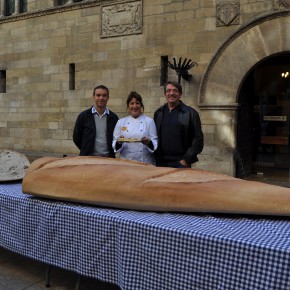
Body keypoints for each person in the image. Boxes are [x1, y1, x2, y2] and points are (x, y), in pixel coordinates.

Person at [154, 81, 204, 168]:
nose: (171, 93)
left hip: (180, 163)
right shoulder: (158, 113)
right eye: (168, 91)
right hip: (160, 163)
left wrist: (186, 160)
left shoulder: (191, 113)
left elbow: (198, 139)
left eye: (175, 91)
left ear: (180, 94)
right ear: (165, 94)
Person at [112, 91, 158, 165]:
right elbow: (114, 143)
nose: (134, 106)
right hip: (126, 163)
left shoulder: (149, 121)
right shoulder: (121, 122)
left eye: (137, 103)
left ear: (141, 105)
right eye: (132, 103)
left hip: (145, 162)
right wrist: (119, 142)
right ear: (128, 106)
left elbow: (155, 142)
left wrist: (148, 142)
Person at [73, 85, 119, 157]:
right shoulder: (83, 116)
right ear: (93, 97)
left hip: (108, 158)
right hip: (88, 158)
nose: (101, 98)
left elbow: (116, 138)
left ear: (108, 98)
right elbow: (76, 137)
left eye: (104, 95)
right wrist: (86, 149)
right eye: (98, 95)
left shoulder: (114, 118)